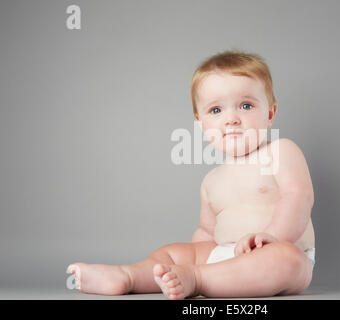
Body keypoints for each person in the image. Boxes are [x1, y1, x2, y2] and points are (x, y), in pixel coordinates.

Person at [67, 50, 316, 299]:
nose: (231, 119)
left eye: (246, 105)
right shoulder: (212, 180)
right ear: (200, 123)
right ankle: (128, 276)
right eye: (216, 110)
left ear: (270, 114)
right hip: (224, 255)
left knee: (286, 259)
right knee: (174, 252)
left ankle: (197, 280)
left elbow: (298, 197)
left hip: (278, 252)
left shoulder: (281, 151)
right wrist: (193, 256)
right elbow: (206, 233)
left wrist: (273, 236)